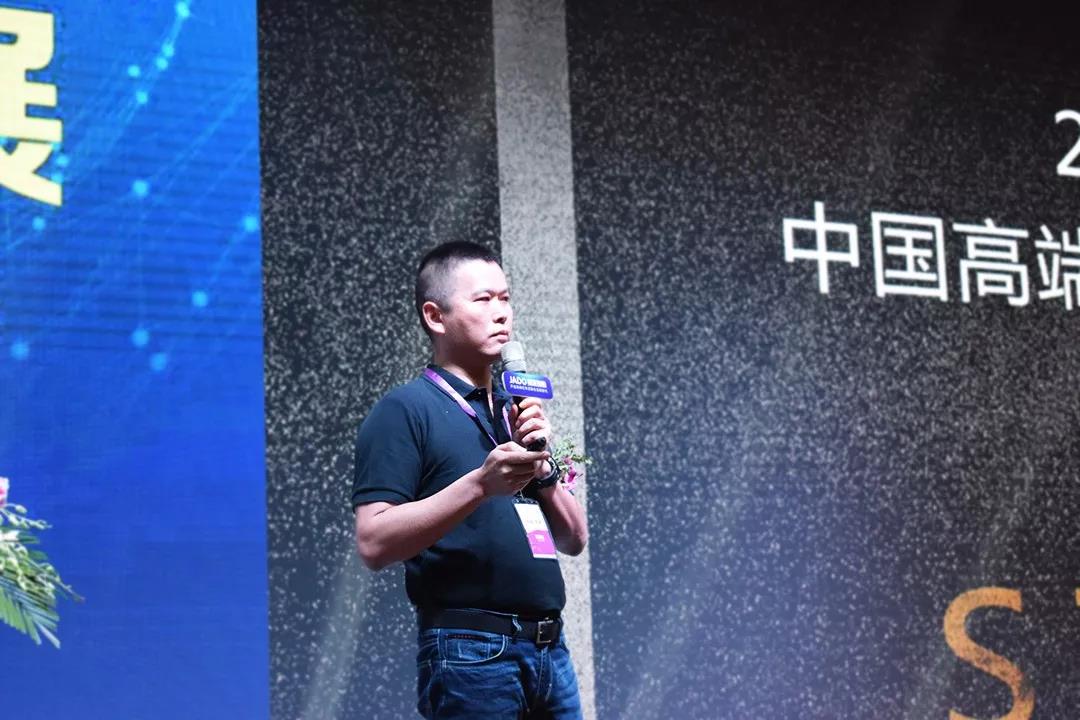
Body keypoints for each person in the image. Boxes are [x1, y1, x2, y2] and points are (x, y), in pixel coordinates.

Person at [352, 240, 588, 719]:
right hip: (472, 653)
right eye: (483, 300)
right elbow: (373, 542)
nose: (501, 313)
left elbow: (574, 539)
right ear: (435, 316)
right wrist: (480, 484)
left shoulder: (514, 413)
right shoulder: (405, 410)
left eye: (505, 298)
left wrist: (543, 468)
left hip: (550, 649)